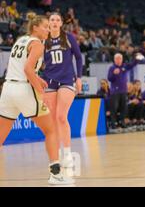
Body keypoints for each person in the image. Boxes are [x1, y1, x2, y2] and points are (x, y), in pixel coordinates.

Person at [0, 15, 73, 185]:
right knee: (51, 130)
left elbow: (21, 67)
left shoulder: (20, 40)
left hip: (8, 89)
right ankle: (55, 174)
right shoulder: (38, 44)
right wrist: (41, 91)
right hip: (23, 90)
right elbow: (27, 69)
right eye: (45, 26)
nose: (48, 30)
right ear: (35, 28)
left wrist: (38, 78)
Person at [42, 12, 83, 176]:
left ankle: (67, 153)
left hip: (67, 80)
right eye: (52, 19)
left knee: (61, 117)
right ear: (48, 23)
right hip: (49, 82)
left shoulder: (68, 37)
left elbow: (79, 58)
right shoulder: (43, 40)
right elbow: (38, 62)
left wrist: (78, 78)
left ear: (60, 23)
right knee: (52, 120)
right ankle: (57, 154)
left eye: (57, 20)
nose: (54, 22)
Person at [107, 53, 141, 131]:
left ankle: (122, 122)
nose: (119, 60)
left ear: (122, 59)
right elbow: (109, 78)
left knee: (123, 108)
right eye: (117, 59)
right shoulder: (111, 68)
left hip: (124, 91)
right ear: (114, 60)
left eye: (120, 59)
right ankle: (113, 124)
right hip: (115, 91)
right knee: (114, 108)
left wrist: (137, 59)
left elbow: (132, 65)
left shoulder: (124, 66)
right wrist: (113, 74)